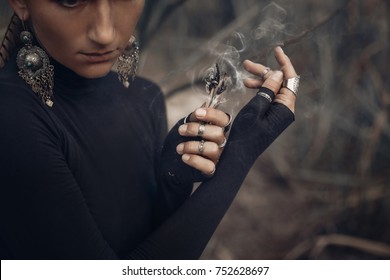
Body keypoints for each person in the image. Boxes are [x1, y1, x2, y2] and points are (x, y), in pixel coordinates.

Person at [0, 0, 299, 259]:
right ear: (21, 3)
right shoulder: (10, 117)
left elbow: (152, 249)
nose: (104, 33)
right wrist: (240, 155)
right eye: (71, 1)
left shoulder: (145, 98)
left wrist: (172, 182)